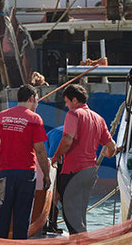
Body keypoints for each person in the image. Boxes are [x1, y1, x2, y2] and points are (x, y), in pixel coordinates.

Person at [50, 84, 117, 234]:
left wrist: (56, 156)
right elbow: (111, 146)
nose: (66, 106)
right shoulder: (98, 118)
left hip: (73, 171)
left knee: (70, 213)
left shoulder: (74, 114)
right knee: (80, 213)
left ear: (74, 100)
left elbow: (67, 140)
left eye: (67, 102)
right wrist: (108, 154)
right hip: (90, 172)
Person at [0, 85, 51, 239]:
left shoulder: (2, 116)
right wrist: (47, 175)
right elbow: (41, 151)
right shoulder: (34, 118)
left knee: (2, 212)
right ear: (31, 98)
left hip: (4, 172)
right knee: (22, 215)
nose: (36, 105)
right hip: (25, 173)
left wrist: (8, 145)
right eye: (36, 101)